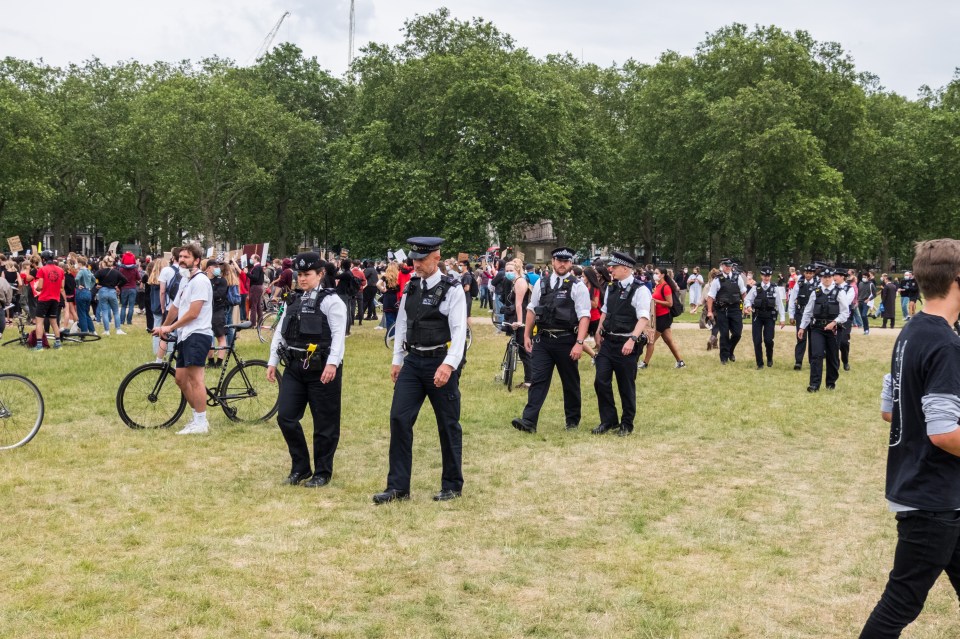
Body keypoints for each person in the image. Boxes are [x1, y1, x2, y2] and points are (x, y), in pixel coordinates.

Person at [859, 238, 960, 638]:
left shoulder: (912, 330)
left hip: (937, 493)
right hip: (932, 498)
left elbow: (890, 409)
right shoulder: (945, 344)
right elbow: (943, 433)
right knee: (901, 602)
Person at [373, 237, 467, 504]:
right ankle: (397, 487)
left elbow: (460, 332)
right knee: (399, 419)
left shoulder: (452, 289)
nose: (416, 264)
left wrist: (449, 365)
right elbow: (402, 324)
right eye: (414, 259)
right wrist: (397, 359)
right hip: (413, 361)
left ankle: (451, 485)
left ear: (436, 258)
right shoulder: (412, 286)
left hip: (440, 359)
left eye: (422, 260)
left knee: (448, 425)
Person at [267, 252, 348, 487]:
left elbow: (338, 336)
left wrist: (333, 363)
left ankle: (322, 472)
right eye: (299, 274)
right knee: (286, 417)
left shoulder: (331, 301)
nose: (302, 279)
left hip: (322, 368)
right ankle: (300, 467)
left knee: (325, 422)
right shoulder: (292, 300)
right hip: (294, 366)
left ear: (320, 274)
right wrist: (272, 361)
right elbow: (281, 333)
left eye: (307, 274)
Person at [511, 247, 591, 434]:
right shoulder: (542, 282)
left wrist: (579, 343)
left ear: (571, 263)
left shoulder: (577, 286)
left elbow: (584, 317)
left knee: (570, 382)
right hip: (544, 341)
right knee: (538, 380)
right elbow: (532, 309)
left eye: (566, 261)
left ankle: (572, 421)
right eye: (559, 260)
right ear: (553, 261)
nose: (562, 264)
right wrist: (526, 334)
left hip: (567, 340)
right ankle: (529, 421)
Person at [153, 244, 213, 435]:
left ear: (196, 260)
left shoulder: (201, 281)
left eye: (187, 257)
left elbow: (194, 313)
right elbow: (175, 308)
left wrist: (170, 327)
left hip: (198, 333)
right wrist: (164, 326)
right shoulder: (185, 281)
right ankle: (196, 416)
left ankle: (201, 423)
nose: (182, 259)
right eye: (180, 256)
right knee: (180, 379)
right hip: (185, 335)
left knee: (196, 379)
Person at [592, 252, 651, 436]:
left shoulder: (640, 289)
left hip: (627, 344)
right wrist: (598, 330)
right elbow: (605, 310)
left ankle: (626, 424)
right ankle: (608, 420)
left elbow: (643, 317)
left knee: (625, 385)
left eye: (614, 267)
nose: (611, 269)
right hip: (609, 342)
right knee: (601, 381)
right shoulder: (612, 287)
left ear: (625, 268)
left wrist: (632, 339)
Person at [797, 267, 850, 392]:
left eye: (829, 277)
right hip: (817, 328)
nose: (827, 279)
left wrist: (834, 322)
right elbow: (808, 311)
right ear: (821, 278)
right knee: (816, 355)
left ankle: (830, 383)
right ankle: (814, 384)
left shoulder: (839, 292)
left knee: (832, 356)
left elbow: (845, 313)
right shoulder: (815, 292)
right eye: (824, 277)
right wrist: (802, 327)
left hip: (833, 329)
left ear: (832, 278)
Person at [639, 266, 685, 370]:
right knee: (668, 340)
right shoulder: (658, 286)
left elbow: (669, 303)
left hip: (663, 317)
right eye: (654, 272)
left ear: (663, 275)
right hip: (658, 316)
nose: (655, 274)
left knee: (650, 341)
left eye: (657, 273)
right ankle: (680, 362)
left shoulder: (666, 287)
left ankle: (645, 363)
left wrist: (655, 301)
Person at [705, 258, 747, 365]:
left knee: (737, 333)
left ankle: (730, 351)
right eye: (725, 266)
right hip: (722, 310)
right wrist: (709, 311)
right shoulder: (717, 280)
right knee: (724, 334)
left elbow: (743, 293)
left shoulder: (738, 278)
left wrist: (747, 306)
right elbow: (710, 297)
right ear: (722, 266)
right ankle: (723, 358)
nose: (728, 268)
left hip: (736, 309)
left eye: (729, 266)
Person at [743, 266, 786, 369]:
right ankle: (760, 363)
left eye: (768, 276)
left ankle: (769, 358)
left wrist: (782, 318)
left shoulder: (774, 288)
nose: (766, 278)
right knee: (757, 340)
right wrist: (748, 306)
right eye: (765, 276)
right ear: (761, 276)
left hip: (770, 317)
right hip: (757, 316)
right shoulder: (755, 287)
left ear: (771, 276)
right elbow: (747, 299)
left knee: (768, 340)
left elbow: (779, 304)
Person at [501, 258, 532, 388]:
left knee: (524, 351)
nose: (508, 272)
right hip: (520, 315)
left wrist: (519, 321)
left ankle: (529, 381)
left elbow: (519, 304)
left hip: (523, 317)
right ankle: (529, 379)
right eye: (506, 270)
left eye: (511, 270)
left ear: (517, 270)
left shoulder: (519, 282)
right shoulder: (516, 281)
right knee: (522, 350)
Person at [32, 250, 65, 350]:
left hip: (44, 298)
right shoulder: (60, 270)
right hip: (55, 298)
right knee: (54, 321)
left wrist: (37, 288)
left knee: (39, 321)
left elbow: (40, 286)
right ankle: (58, 343)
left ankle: (39, 345)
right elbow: (62, 286)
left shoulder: (42, 270)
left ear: (43, 259)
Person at [788, 264, 818, 370]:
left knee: (813, 339)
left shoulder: (818, 284)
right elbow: (792, 299)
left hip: (814, 314)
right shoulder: (799, 283)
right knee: (801, 337)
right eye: (807, 273)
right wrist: (791, 315)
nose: (808, 275)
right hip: (801, 312)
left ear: (813, 274)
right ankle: (798, 361)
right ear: (804, 273)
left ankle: (812, 361)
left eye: (810, 273)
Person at [204, 258, 229, 369]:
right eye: (215, 267)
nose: (218, 269)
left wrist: (208, 293)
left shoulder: (222, 280)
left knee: (220, 336)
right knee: (208, 337)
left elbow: (220, 294)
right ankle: (210, 360)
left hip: (218, 311)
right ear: (209, 268)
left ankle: (219, 362)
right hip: (206, 311)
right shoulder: (204, 279)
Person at [835, 269, 856, 371]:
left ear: (842, 277)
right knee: (834, 342)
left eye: (836, 275)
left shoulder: (849, 288)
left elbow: (846, 302)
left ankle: (845, 360)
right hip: (834, 317)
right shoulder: (832, 288)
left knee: (843, 342)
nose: (834, 278)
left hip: (845, 318)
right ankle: (836, 363)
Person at [74, 256, 96, 334]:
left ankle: (84, 331)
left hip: (81, 292)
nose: (76, 264)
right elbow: (94, 280)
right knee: (86, 312)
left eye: (76, 263)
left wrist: (78, 285)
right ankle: (92, 330)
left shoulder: (81, 271)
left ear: (79, 264)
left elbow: (76, 279)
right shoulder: (88, 271)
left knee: (81, 313)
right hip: (88, 292)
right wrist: (90, 286)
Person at [119, 251, 140, 326]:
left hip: (124, 288)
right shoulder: (135, 269)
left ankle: (121, 321)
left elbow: (119, 278)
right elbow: (138, 278)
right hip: (132, 288)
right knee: (131, 306)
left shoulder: (121, 269)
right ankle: (129, 321)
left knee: (123, 306)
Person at [247, 254, 266, 330]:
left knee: (253, 306)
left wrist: (247, 273)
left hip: (255, 287)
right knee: (258, 306)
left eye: (251, 258)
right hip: (259, 287)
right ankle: (260, 322)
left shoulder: (257, 267)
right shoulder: (259, 267)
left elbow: (255, 277)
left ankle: (252, 323)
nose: (250, 260)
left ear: (255, 259)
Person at [858, 270, 877, 335]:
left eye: (865, 277)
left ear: (868, 277)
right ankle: (865, 329)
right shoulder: (860, 284)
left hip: (866, 302)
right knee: (862, 316)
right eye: (863, 277)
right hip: (860, 301)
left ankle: (867, 329)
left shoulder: (871, 284)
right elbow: (858, 292)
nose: (864, 278)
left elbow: (874, 294)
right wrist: (857, 300)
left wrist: (869, 299)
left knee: (864, 315)